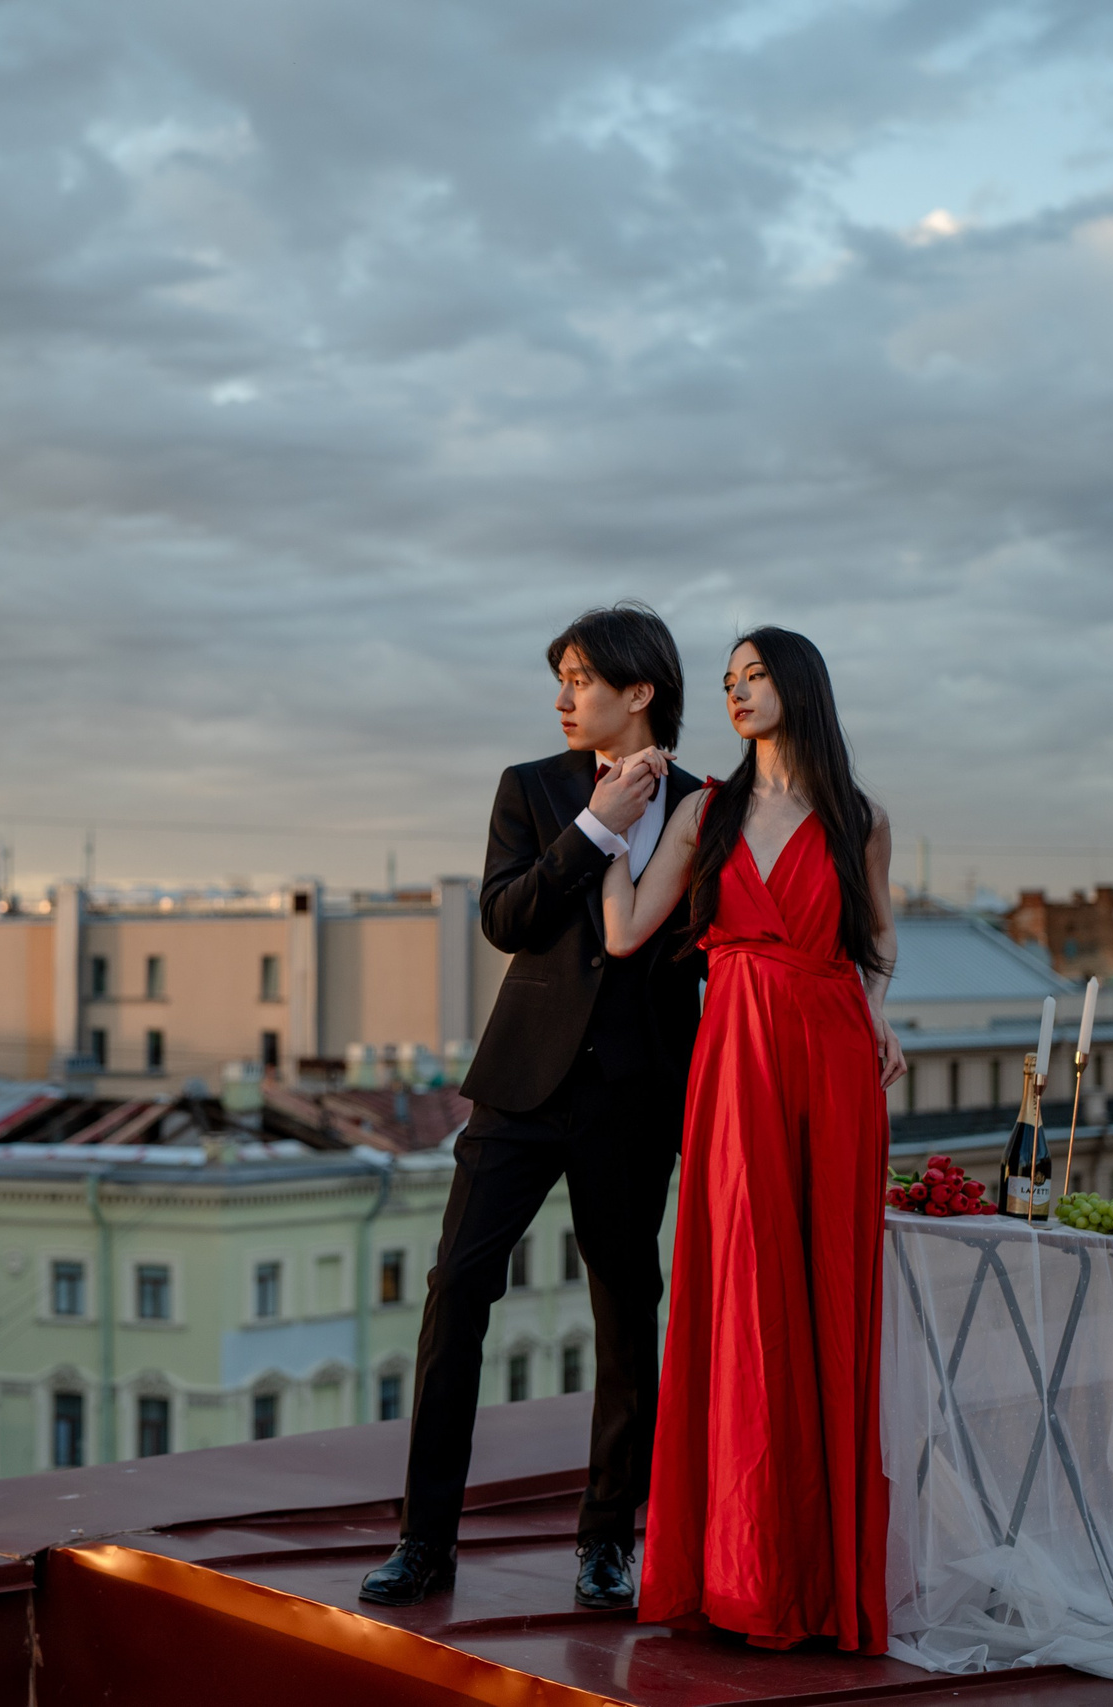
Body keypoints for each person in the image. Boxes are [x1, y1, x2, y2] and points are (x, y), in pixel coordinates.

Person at [359, 603, 709, 1611]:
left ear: (637, 691)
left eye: (581, 679)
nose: (562, 698)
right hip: (519, 1087)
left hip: (634, 1094)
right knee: (456, 1291)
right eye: (556, 678)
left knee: (622, 1313)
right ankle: (424, 1541)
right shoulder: (532, 789)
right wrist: (594, 827)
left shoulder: (700, 805)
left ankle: (608, 1543)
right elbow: (506, 920)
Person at [596, 625, 904, 1654]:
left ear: (799, 684)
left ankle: (817, 1579)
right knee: (740, 1294)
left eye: (754, 675)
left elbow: (873, 949)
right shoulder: (705, 810)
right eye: (727, 682)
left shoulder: (861, 819)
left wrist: (878, 1020)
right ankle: (738, 1573)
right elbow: (629, 929)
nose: (734, 692)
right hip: (734, 1062)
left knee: (825, 1295)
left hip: (832, 1061)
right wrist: (601, 833)